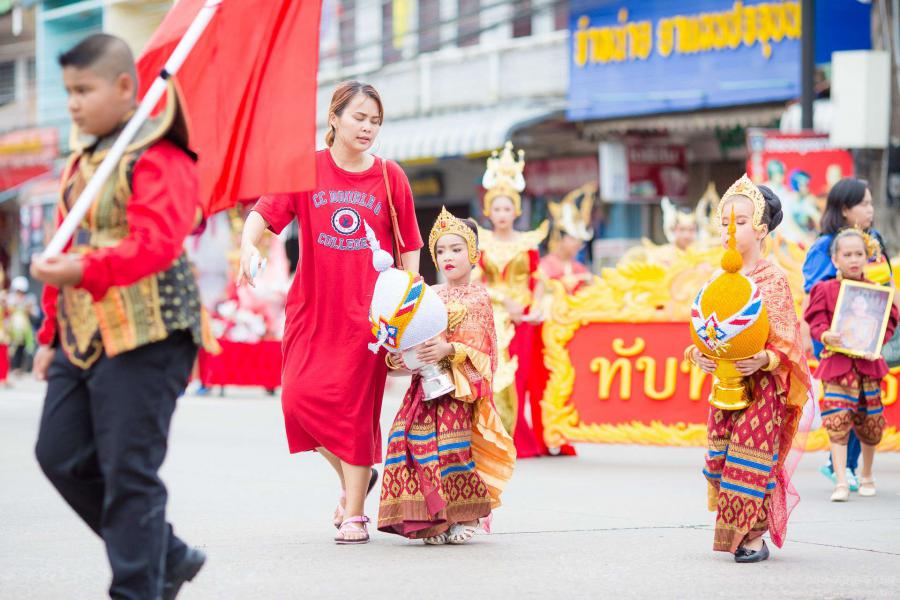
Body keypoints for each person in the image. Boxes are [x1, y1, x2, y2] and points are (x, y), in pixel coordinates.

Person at [29, 34, 208, 599]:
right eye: (69, 92)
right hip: (82, 334)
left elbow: (156, 244)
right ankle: (168, 555)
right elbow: (66, 244)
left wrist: (80, 270)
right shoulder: (83, 160)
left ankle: (137, 588)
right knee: (59, 455)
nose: (73, 104)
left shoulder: (161, 154)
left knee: (129, 470)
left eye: (83, 90)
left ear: (125, 87)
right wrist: (48, 335)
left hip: (151, 331)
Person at [239, 80, 422, 544]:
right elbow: (263, 215)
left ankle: (355, 513)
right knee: (297, 401)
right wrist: (247, 245)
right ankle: (354, 479)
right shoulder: (305, 170)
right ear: (334, 118)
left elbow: (409, 246)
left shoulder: (390, 176)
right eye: (359, 117)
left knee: (356, 415)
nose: (367, 128)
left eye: (375, 121)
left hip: (369, 316)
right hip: (312, 310)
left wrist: (407, 308)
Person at [687, 175, 812, 563]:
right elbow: (704, 331)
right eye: (725, 221)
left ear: (760, 229)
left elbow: (788, 340)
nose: (730, 229)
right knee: (719, 462)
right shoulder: (719, 278)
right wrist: (696, 355)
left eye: (740, 222)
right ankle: (739, 532)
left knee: (750, 461)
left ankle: (753, 538)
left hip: (762, 389)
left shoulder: (772, 279)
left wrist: (765, 359)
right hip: (725, 386)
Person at [378, 207, 515, 544]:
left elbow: (484, 349)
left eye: (456, 249)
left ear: (474, 254)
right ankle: (433, 521)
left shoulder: (479, 297)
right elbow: (407, 337)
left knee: (453, 450)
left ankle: (467, 515)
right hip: (422, 390)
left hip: (458, 389)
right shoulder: (427, 294)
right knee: (409, 446)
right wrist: (398, 355)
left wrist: (448, 349)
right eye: (440, 251)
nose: (448, 256)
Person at [801, 178, 893, 489]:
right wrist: (810, 335)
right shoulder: (825, 246)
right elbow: (811, 292)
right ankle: (843, 466)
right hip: (835, 340)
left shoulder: (874, 240)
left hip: (869, 337)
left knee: (866, 401)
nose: (870, 209)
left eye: (871, 203)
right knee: (843, 400)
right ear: (844, 209)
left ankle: (847, 466)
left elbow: (885, 284)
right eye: (863, 204)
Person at [474, 142, 547, 458]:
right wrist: (503, 300)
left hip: (523, 320)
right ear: (488, 211)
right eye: (497, 208)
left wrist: (537, 308)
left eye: (507, 208)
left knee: (522, 377)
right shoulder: (482, 243)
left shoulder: (528, 242)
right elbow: (476, 282)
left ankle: (522, 436)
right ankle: (496, 435)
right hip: (493, 317)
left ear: (516, 211)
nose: (502, 214)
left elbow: (538, 279)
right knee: (493, 376)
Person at [541, 183, 595, 295]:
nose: (578, 244)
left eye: (580, 241)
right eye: (573, 239)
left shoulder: (580, 268)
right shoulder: (545, 266)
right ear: (560, 237)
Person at [7, 276, 38, 376]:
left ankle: (21, 367)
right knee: (12, 348)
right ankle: (12, 367)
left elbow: (35, 313)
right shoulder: (11, 299)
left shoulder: (29, 299)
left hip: (25, 329)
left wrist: (28, 309)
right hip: (12, 328)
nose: (20, 293)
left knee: (25, 347)